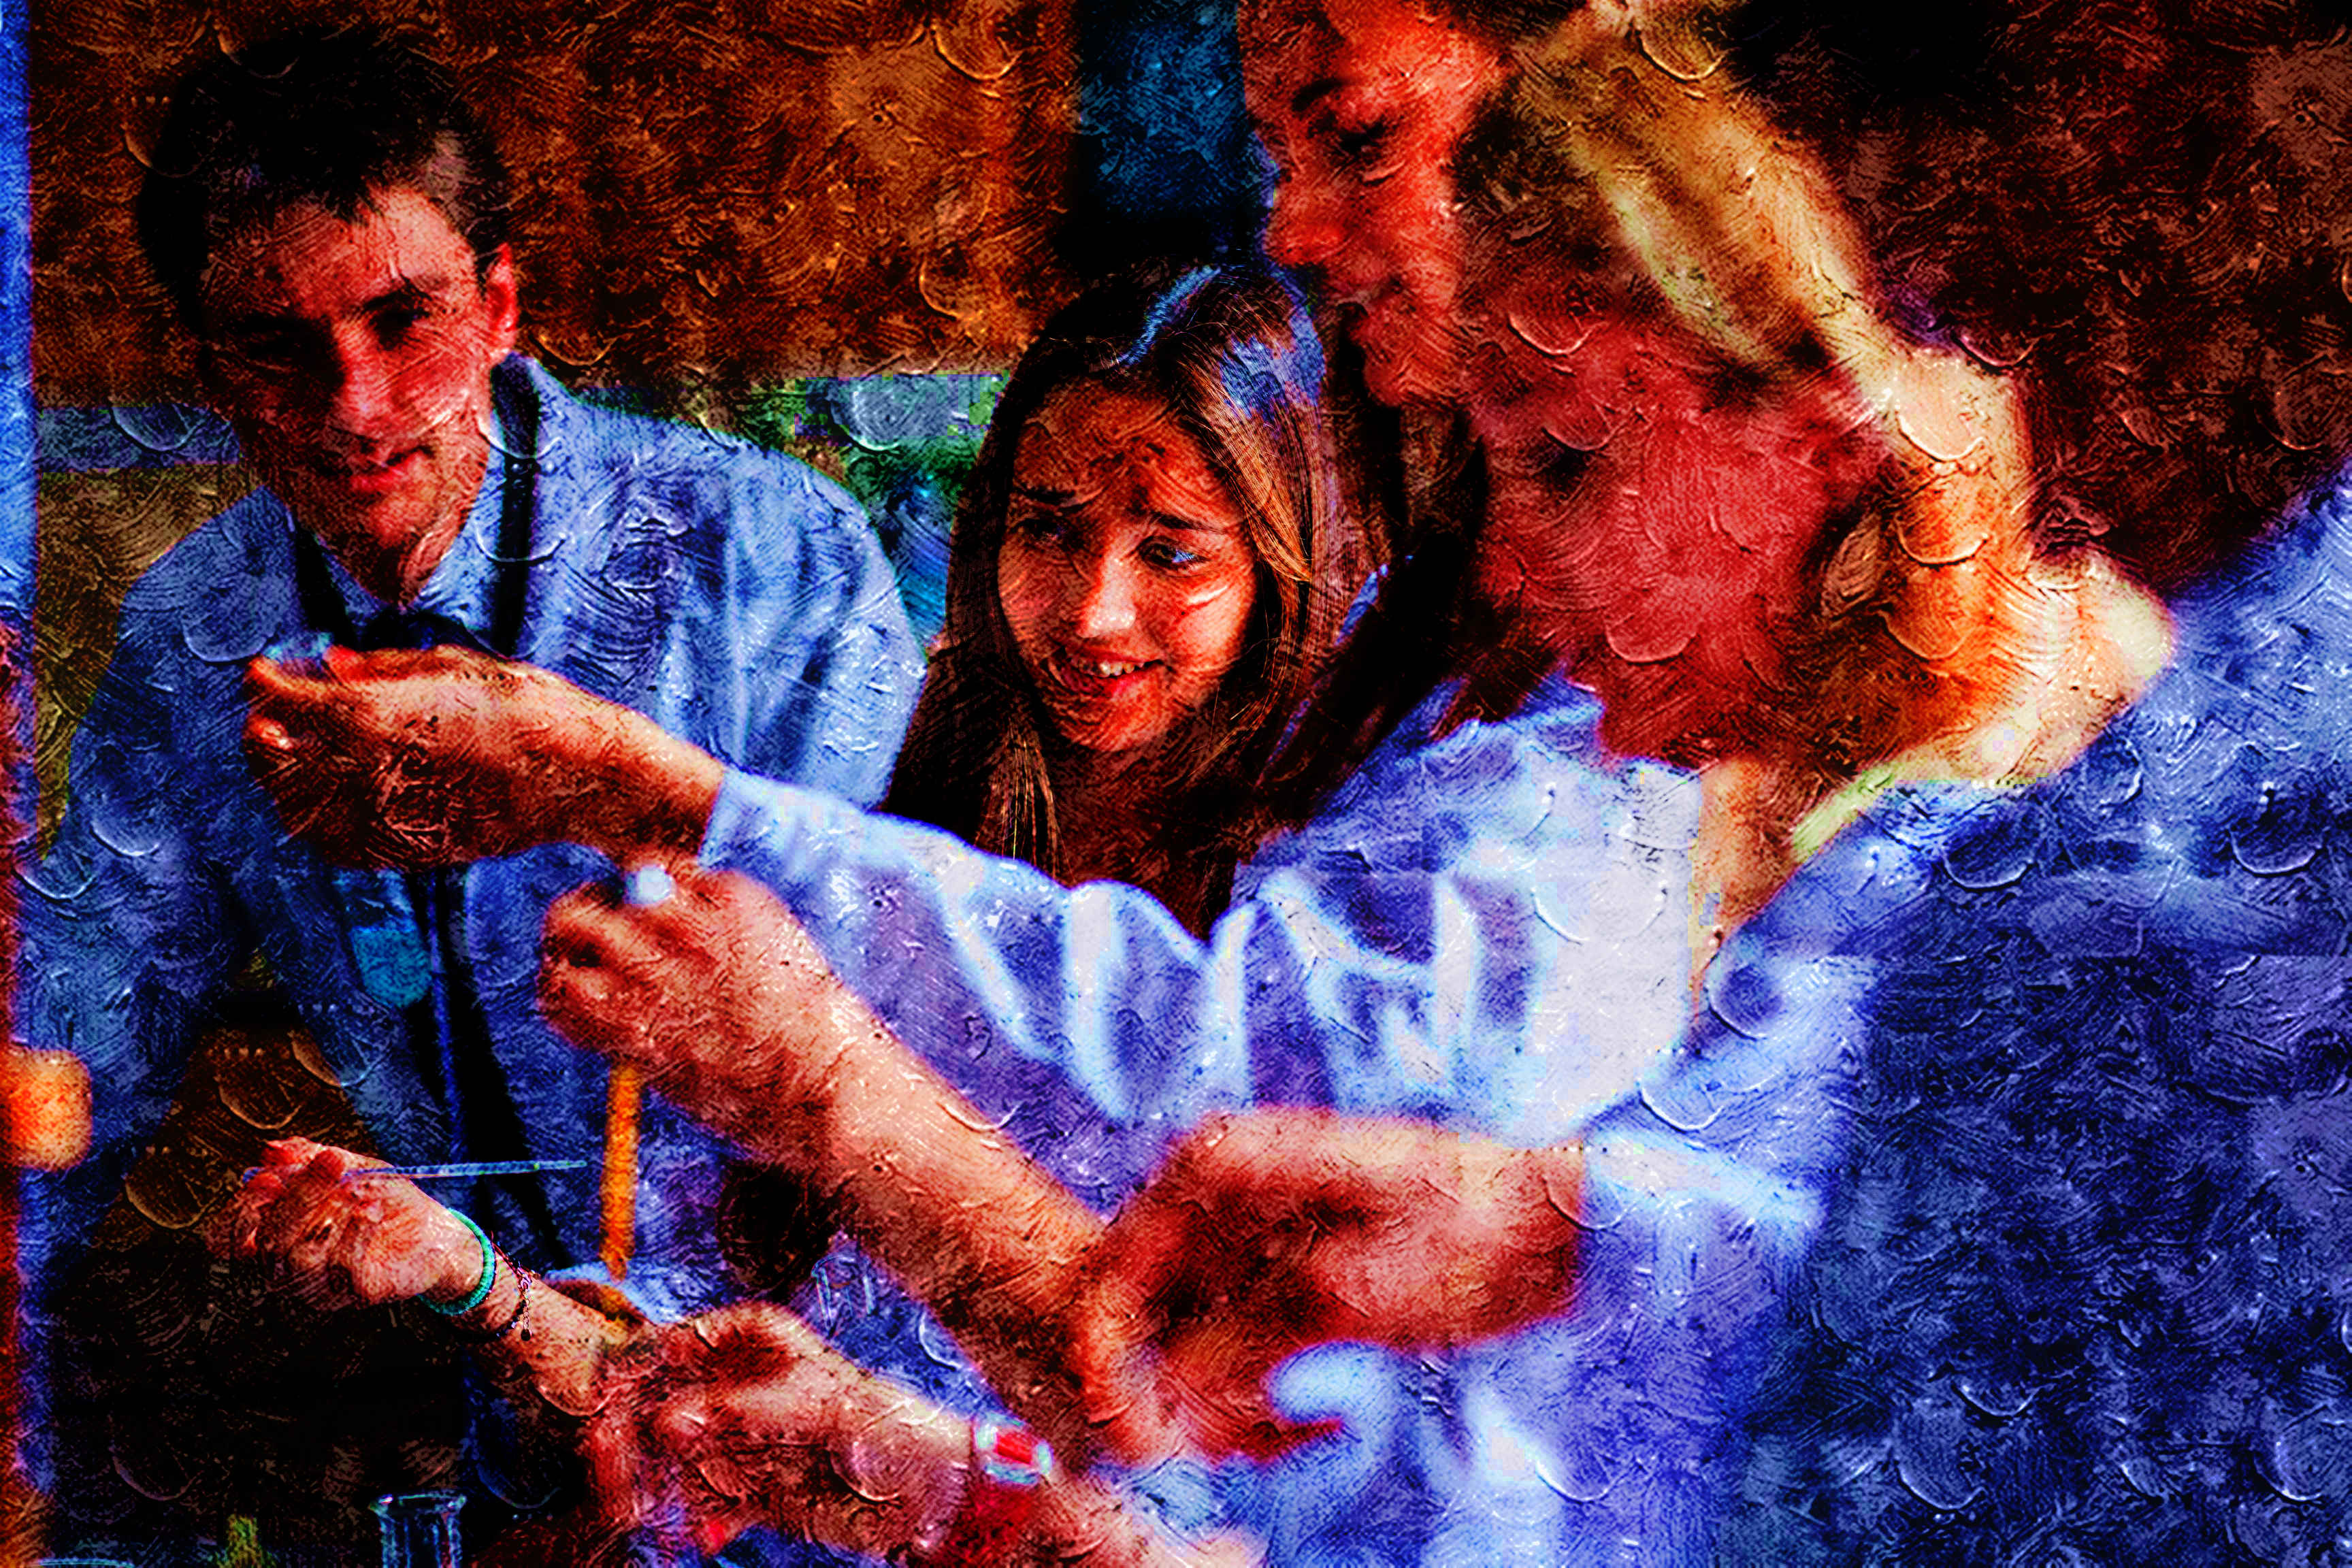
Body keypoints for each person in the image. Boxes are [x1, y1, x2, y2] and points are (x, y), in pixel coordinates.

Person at [246, 1, 2172, 1564]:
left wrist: (779, 1001)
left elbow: (1288, 1291)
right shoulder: (1118, 780)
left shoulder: (1938, 872)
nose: (1299, 232)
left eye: (1355, 136)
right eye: (1047, 530)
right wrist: (922, 1477)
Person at [228, 260, 1369, 1567]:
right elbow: (704, 1383)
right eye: (1050, 531)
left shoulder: (1310, 943)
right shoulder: (908, 836)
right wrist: (467, 1276)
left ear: (1284, 565)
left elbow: (1235, 1483)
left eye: (1171, 552)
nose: (1095, 611)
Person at [20, 24, 921, 1558]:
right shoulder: (195, 634)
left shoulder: (768, 555)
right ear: (208, 364)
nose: (357, 406)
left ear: (501, 301)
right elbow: (81, 1046)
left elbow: (899, 1032)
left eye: (404, 321)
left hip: (838, 1401)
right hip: (505, 1422)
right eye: (278, 348)